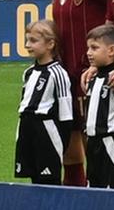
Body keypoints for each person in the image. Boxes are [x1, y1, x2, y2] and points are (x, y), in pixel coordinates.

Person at [41, 0, 113, 138]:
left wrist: (100, 62)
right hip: (65, 74)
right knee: (69, 145)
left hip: (90, 74)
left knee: (93, 143)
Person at [11, 15, 74, 185]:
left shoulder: (58, 73)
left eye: (33, 41)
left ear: (50, 44)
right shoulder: (29, 72)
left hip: (46, 130)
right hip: (26, 127)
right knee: (33, 177)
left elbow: (66, 111)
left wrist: (61, 141)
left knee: (49, 180)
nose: (27, 45)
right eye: (27, 40)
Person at [78, 22, 114, 194]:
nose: (89, 53)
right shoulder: (92, 78)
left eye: (94, 48)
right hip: (93, 142)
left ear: (111, 50)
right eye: (88, 48)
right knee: (94, 187)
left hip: (112, 142)